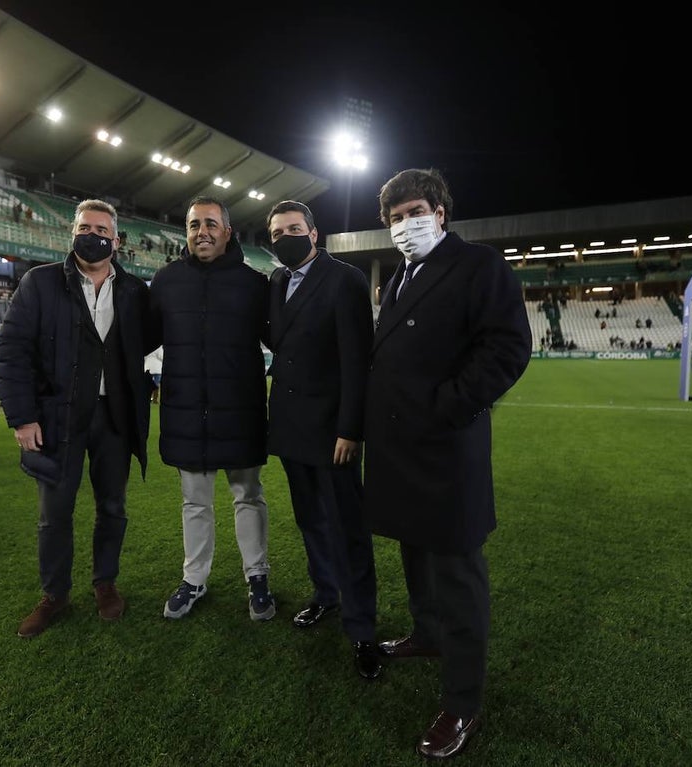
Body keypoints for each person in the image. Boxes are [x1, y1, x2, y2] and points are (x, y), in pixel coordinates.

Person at [364, 169, 532, 759]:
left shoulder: (478, 265)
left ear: (440, 213)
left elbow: (509, 347)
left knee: (458, 574)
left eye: (415, 211)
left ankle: (463, 702)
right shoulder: (403, 274)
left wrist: (447, 406)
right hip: (400, 448)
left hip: (444, 448)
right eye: (395, 218)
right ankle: (427, 634)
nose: (404, 224)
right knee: (414, 551)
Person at [0, 198, 153, 636]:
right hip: (56, 417)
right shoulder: (40, 282)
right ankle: (55, 594)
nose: (93, 235)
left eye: (102, 230)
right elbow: (12, 350)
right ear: (72, 233)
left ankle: (105, 582)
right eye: (85, 227)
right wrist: (22, 417)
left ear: (116, 241)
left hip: (114, 416)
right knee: (54, 513)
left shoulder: (134, 291)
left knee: (113, 507)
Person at [263, 200, 379, 678]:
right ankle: (326, 593)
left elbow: (357, 359)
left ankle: (362, 627)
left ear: (314, 234)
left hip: (332, 432)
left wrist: (350, 428)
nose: (285, 237)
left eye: (294, 229)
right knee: (310, 519)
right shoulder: (275, 281)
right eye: (277, 233)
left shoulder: (345, 279)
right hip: (290, 425)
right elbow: (278, 341)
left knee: (347, 528)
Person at [147, 196, 273, 621]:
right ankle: (194, 579)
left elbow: (284, 341)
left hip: (241, 412)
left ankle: (257, 576)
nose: (202, 232)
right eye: (194, 224)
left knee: (248, 496)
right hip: (186, 413)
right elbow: (141, 337)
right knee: (194, 503)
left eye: (211, 224)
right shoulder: (166, 281)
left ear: (228, 232)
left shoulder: (254, 284)